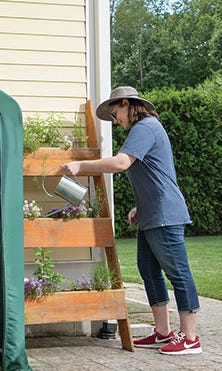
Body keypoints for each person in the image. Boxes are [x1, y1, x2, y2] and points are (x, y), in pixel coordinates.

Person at [59, 86, 201, 355]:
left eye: (116, 113)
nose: (116, 121)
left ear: (127, 104)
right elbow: (155, 172)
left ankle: (191, 338)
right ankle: (162, 332)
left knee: (178, 272)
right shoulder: (143, 130)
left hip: (164, 215)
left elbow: (121, 163)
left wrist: (81, 166)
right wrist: (139, 206)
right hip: (150, 213)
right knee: (148, 270)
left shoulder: (146, 126)